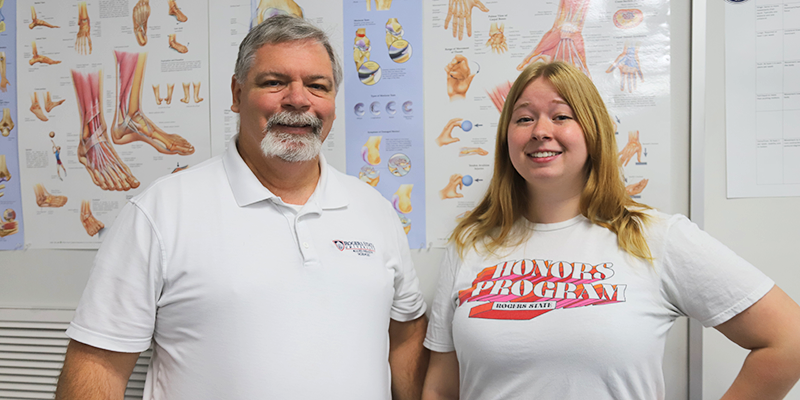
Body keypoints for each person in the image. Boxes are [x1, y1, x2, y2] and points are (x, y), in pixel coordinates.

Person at [55, 15, 428, 400]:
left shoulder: (375, 211)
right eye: (274, 82)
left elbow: (406, 335)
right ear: (236, 94)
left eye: (317, 86)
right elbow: (97, 366)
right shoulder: (160, 213)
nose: (298, 99)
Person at [421, 61, 800, 400]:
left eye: (561, 116)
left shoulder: (653, 237)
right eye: (523, 119)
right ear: (507, 139)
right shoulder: (471, 244)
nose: (540, 131)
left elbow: (789, 340)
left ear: (592, 131)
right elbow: (441, 386)